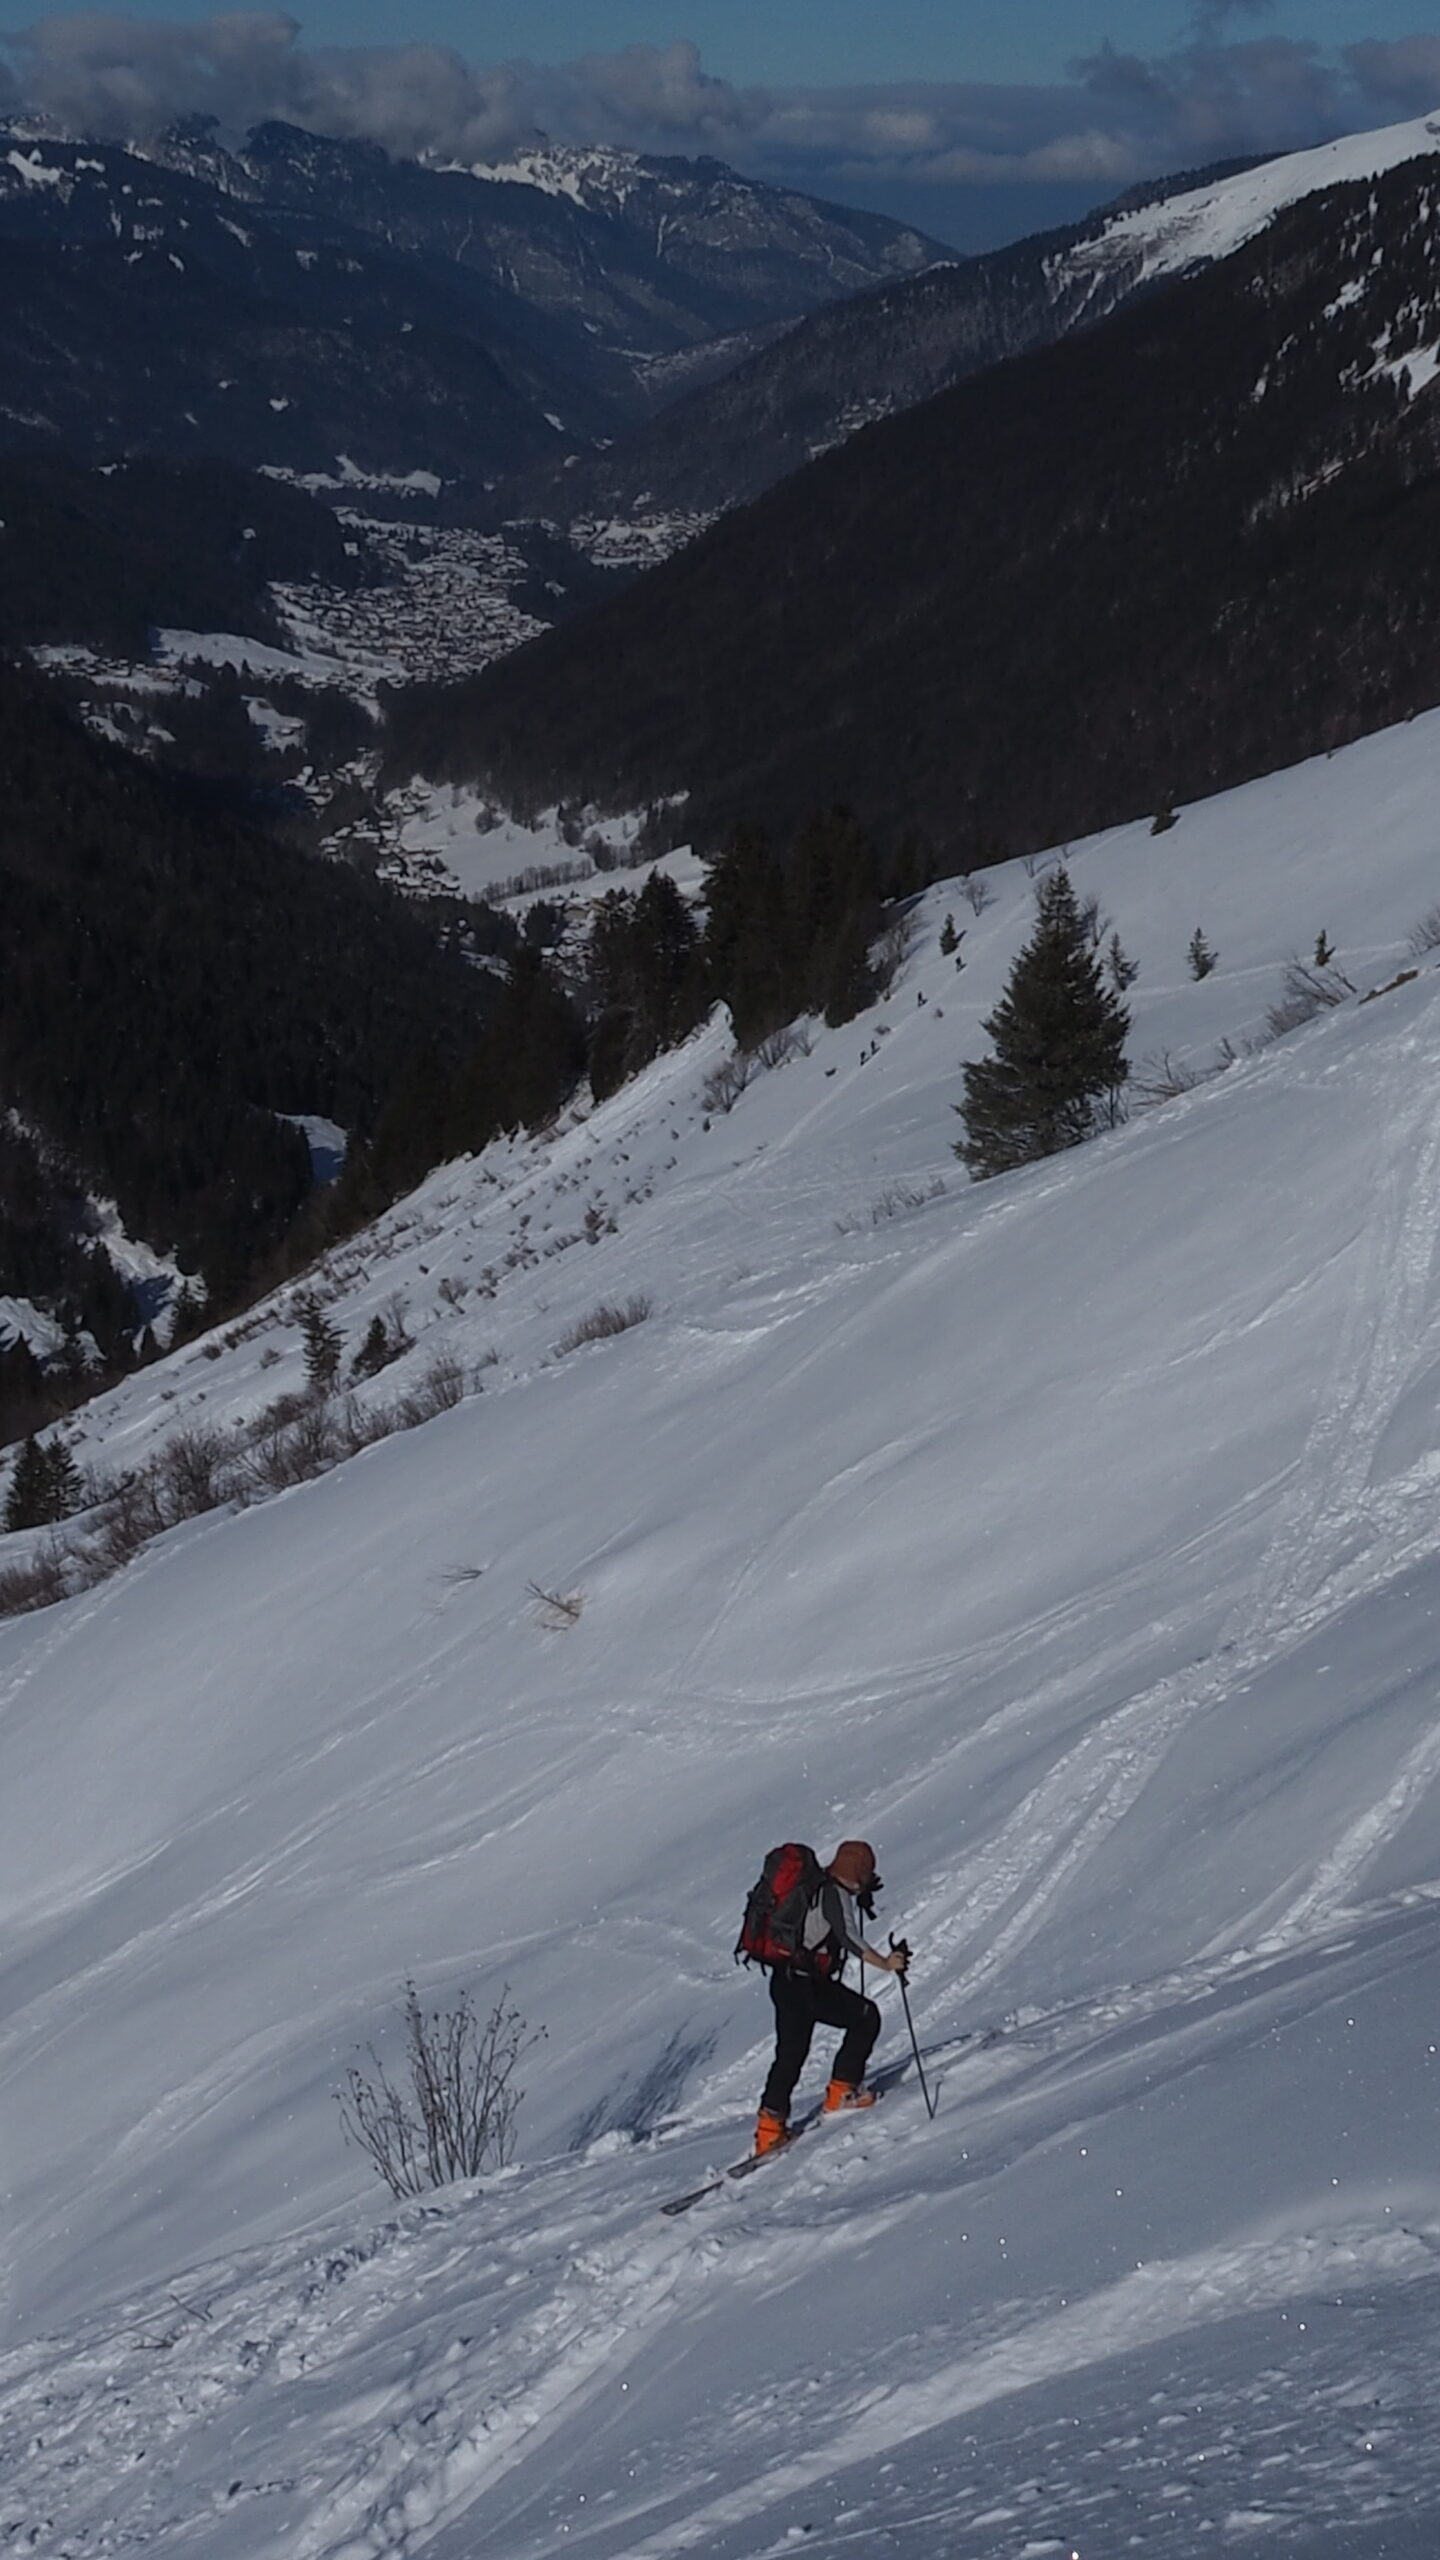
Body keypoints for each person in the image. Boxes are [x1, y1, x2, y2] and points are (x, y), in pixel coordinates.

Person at [755, 1838, 909, 2155]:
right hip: (804, 1984)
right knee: (863, 2018)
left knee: (792, 2052)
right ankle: (841, 2092)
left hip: (788, 1979)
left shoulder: (819, 1886)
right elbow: (849, 1937)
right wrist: (886, 1963)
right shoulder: (834, 1894)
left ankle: (770, 2129)